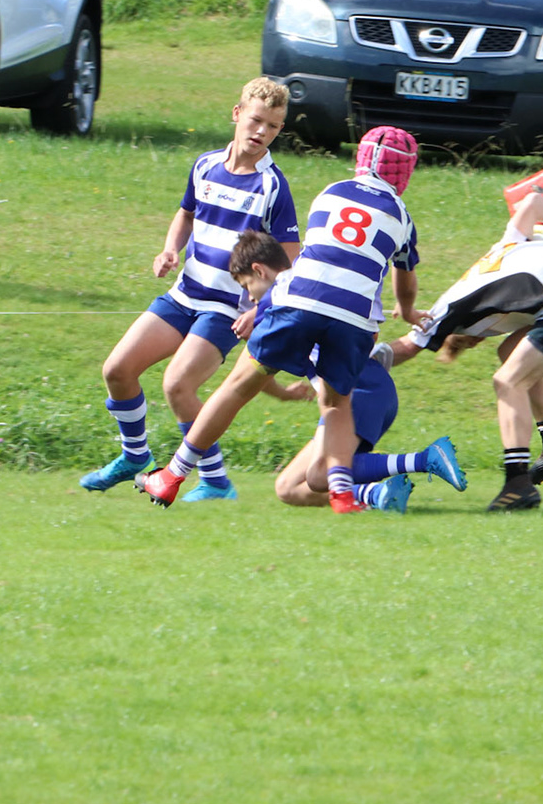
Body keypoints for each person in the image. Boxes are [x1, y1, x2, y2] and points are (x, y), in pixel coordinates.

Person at [140, 125, 422, 513]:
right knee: (337, 402)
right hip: (355, 318)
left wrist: (264, 307)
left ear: (360, 159)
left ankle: (172, 476)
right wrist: (408, 310)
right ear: (405, 173)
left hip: (299, 300)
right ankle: (342, 492)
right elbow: (404, 279)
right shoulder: (402, 217)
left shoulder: (331, 192)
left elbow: (316, 253)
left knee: (239, 386)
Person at [78, 77, 301, 502]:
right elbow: (185, 214)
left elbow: (292, 262)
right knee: (117, 370)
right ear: (237, 114)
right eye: (256, 120)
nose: (261, 132)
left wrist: (260, 309)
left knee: (177, 385)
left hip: (225, 311)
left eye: (273, 126)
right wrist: (170, 249)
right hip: (183, 297)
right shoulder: (205, 166)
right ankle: (134, 457)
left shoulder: (272, 186)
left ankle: (215, 482)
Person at [384, 187, 543, 511]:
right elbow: (534, 201)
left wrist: (354, 363)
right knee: (511, 351)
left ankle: (517, 483)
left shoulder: (449, 308)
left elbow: (406, 347)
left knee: (507, 381)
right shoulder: (509, 243)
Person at [251, 266, 467, 513]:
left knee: (320, 474)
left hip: (357, 391)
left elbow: (251, 369)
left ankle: (425, 459)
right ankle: (375, 494)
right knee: (288, 487)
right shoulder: (308, 295)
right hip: (363, 389)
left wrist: (254, 321)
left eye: (246, 284)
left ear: (260, 271)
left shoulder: (284, 298)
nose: (248, 297)